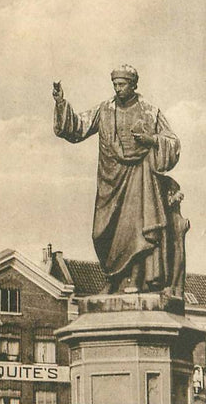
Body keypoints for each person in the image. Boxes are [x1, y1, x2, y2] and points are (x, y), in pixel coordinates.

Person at [53, 65, 188, 295]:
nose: (118, 89)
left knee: (136, 229)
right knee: (102, 233)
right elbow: (78, 126)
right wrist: (60, 103)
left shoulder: (150, 111)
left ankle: (132, 280)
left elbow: (172, 142)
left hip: (140, 179)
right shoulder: (105, 110)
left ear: (133, 84)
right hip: (110, 181)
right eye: (115, 85)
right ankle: (112, 278)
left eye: (122, 84)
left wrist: (152, 140)